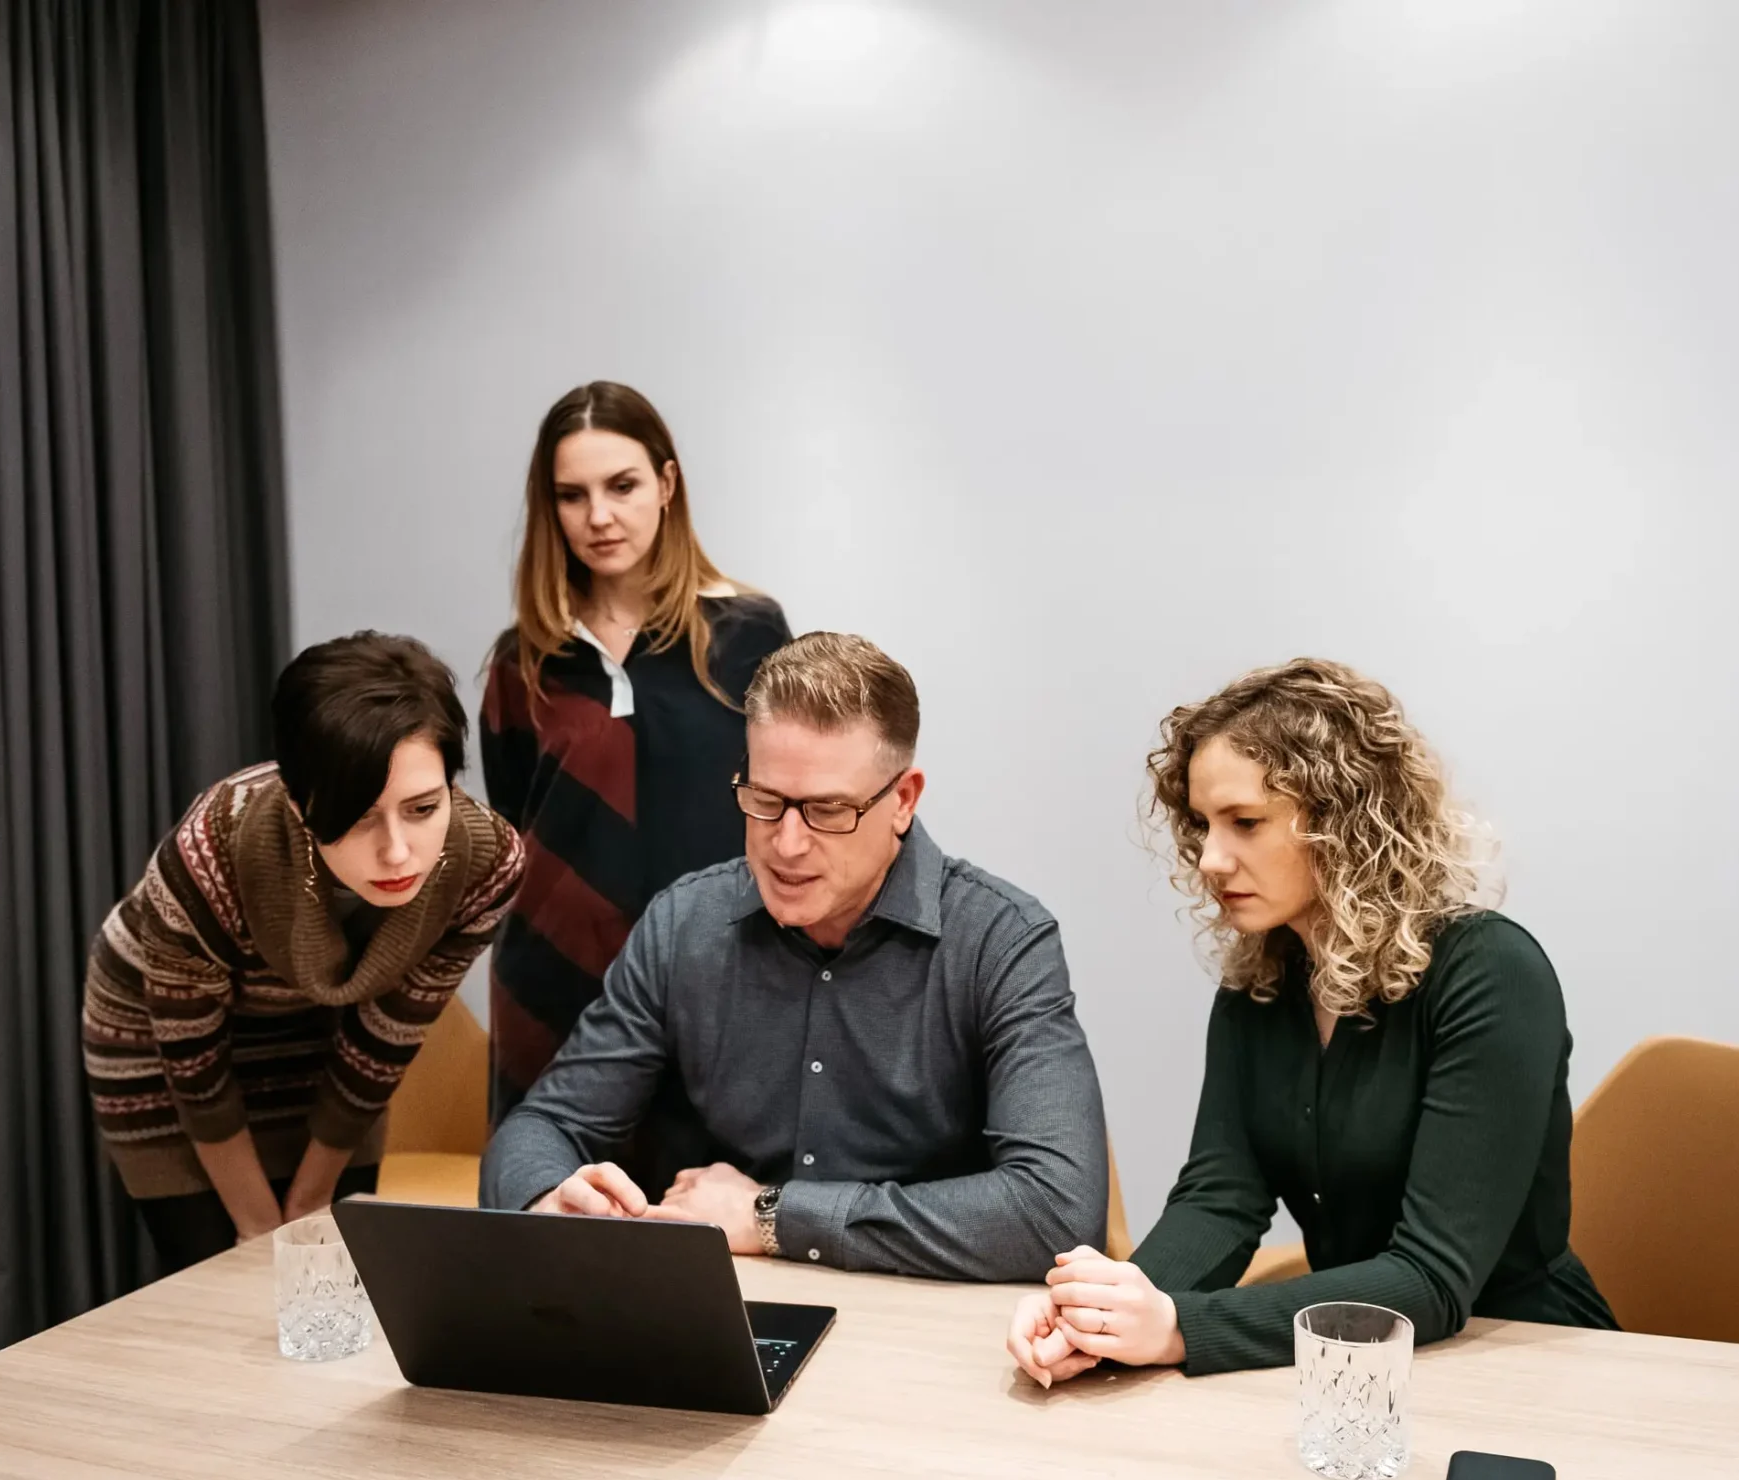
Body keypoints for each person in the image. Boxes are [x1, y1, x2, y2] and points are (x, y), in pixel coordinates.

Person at [1006, 660, 1616, 1385]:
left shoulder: (1492, 974)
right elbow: (1220, 1198)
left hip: (1524, 1359)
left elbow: (1432, 1278)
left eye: (1246, 822)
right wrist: (1108, 1314)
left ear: (1345, 818)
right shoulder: (1261, 981)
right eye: (1202, 824)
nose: (1208, 857)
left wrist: (1177, 1328)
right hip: (1347, 1361)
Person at [479, 631, 1108, 1283]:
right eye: (765, 800)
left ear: (903, 800)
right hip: (735, 1312)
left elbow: (1057, 1213)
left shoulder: (1001, 941)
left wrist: (771, 1215)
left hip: (929, 1322)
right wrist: (547, 1197)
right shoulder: (685, 925)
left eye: (827, 809)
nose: (786, 843)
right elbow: (542, 1127)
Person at [84, 632, 525, 1275]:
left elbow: (383, 1044)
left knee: (337, 1265)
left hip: (335, 1028)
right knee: (222, 1277)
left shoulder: (487, 863)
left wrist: (312, 1198)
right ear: (299, 806)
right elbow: (196, 1067)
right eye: (358, 817)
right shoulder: (213, 848)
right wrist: (259, 1225)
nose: (398, 851)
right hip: (159, 1034)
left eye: (423, 807)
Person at [480, 380, 792, 1123]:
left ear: (666, 482)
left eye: (621, 485)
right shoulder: (523, 660)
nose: (599, 517)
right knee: (553, 1219)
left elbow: (788, 808)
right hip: (551, 988)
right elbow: (512, 835)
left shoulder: (748, 631)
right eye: (571, 495)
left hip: (716, 981)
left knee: (706, 1218)